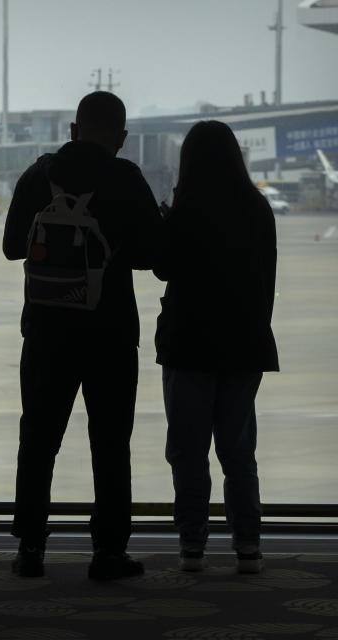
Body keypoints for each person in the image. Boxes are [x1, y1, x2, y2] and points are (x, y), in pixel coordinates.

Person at [3, 91, 162, 579]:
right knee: (110, 443)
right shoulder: (127, 179)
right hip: (110, 334)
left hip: (47, 332)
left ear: (73, 130)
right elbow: (153, 258)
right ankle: (108, 553)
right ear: (121, 137)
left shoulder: (38, 175)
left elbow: (12, 247)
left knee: (38, 438)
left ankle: (30, 549)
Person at [154, 120, 278, 574]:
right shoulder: (257, 208)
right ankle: (248, 544)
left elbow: (161, 268)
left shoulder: (186, 211)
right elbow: (268, 281)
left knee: (189, 451)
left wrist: (165, 221)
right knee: (238, 451)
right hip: (244, 346)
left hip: (189, 345)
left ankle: (192, 546)